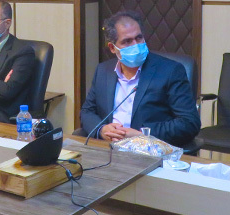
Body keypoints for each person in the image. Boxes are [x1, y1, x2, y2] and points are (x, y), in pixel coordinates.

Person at [80, 10, 200, 147]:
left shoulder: (170, 71)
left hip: (149, 150)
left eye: (139, 38)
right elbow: (87, 111)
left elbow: (189, 123)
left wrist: (143, 135)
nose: (135, 45)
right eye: (127, 41)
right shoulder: (103, 71)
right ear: (112, 48)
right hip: (108, 148)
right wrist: (101, 130)